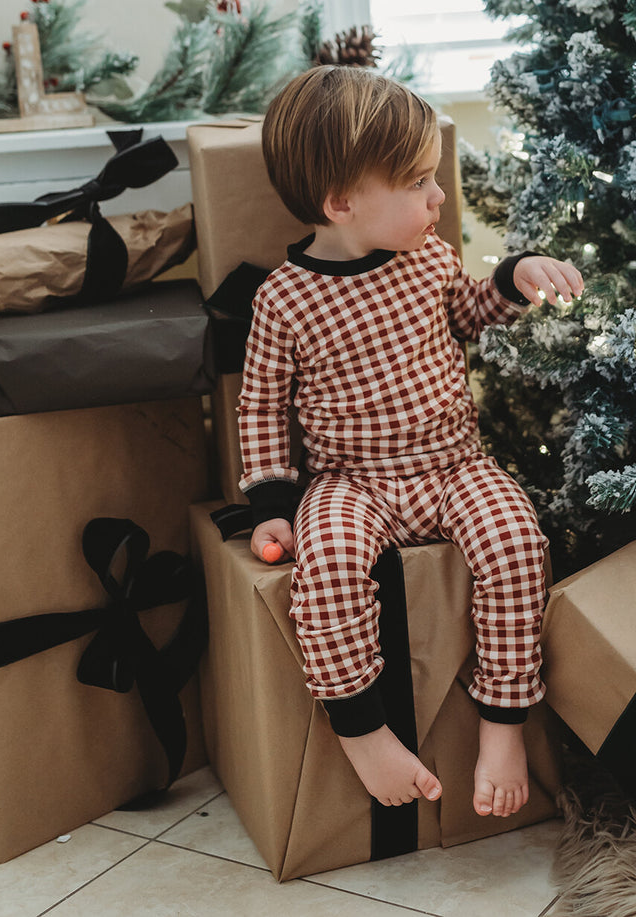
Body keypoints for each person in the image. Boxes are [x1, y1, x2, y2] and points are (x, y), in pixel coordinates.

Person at [239, 65, 583, 817]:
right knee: (324, 564)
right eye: (420, 183)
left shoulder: (430, 258)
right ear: (343, 203)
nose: (439, 197)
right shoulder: (284, 299)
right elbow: (261, 406)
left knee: (516, 542)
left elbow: (463, 314)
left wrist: (516, 275)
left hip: (453, 462)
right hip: (351, 479)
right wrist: (271, 504)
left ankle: (503, 723)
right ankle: (362, 732)